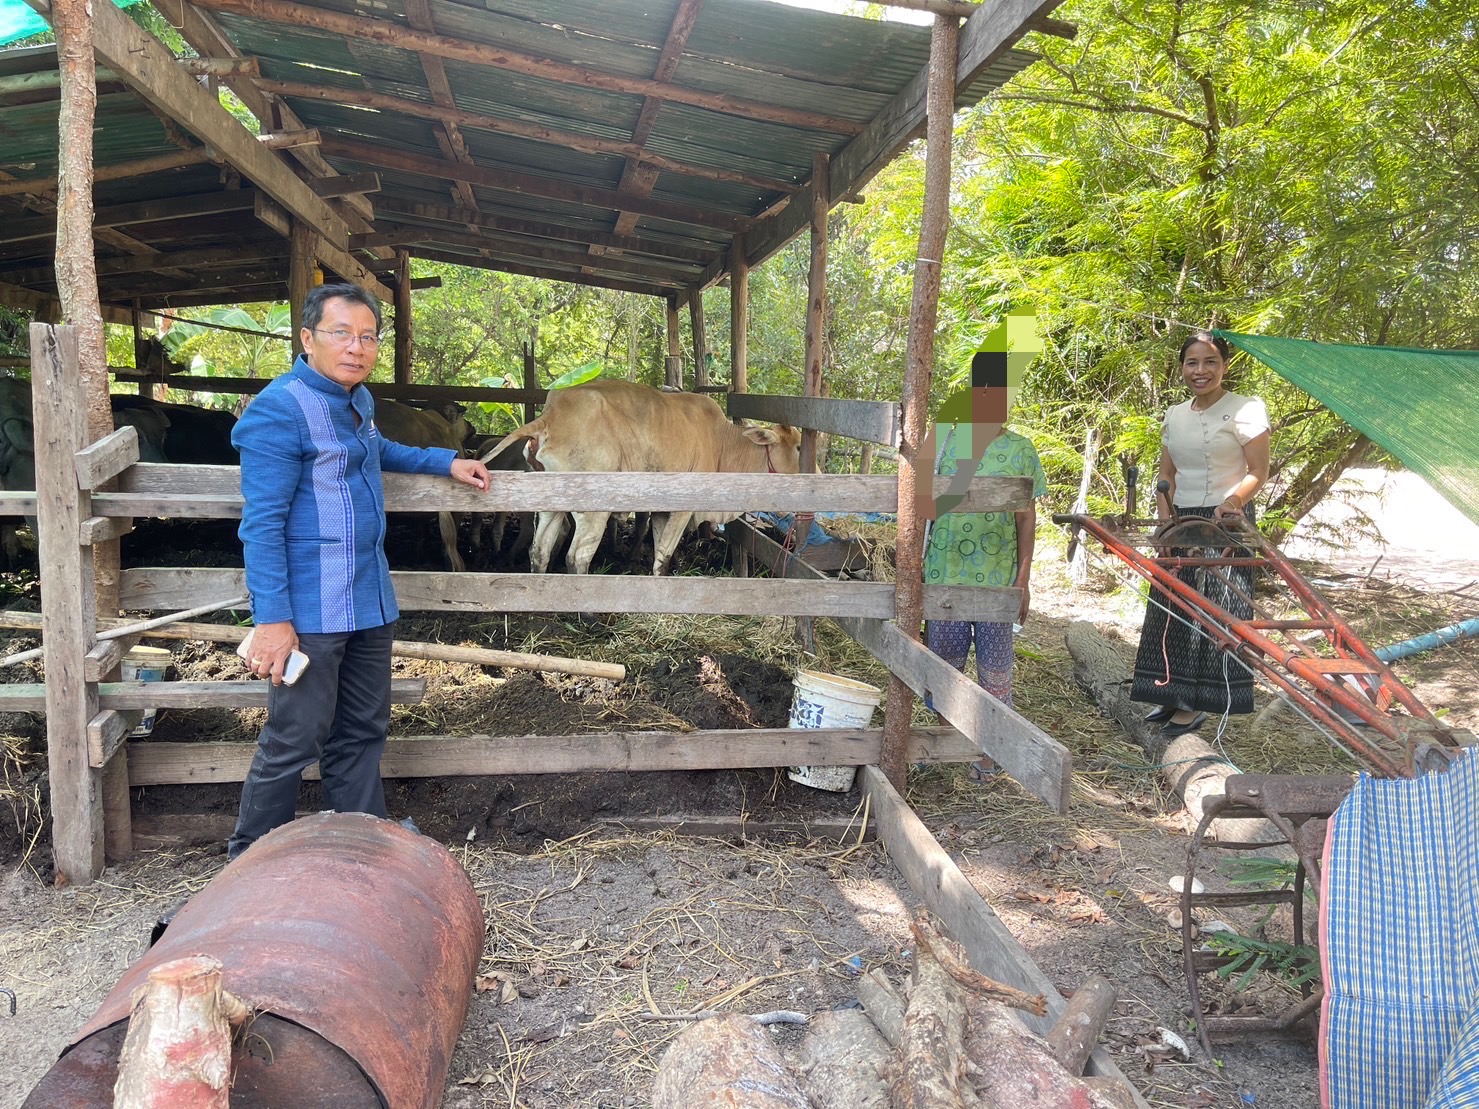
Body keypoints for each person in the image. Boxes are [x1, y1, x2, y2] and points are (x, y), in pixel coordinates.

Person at [227, 283, 491, 859]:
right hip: (312, 609)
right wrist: (273, 620)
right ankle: (249, 860)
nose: (356, 347)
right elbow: (261, 526)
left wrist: (446, 460)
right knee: (295, 738)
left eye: (368, 336)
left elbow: (379, 450)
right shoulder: (279, 409)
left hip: (368, 599)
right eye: (341, 333)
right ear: (307, 339)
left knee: (363, 731)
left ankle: (360, 845)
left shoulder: (359, 402)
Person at [920, 313, 1048, 782]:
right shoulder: (945, 438)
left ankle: (990, 751)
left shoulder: (1020, 450)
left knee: (995, 671)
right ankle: (948, 745)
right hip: (946, 574)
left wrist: (1023, 579)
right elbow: (921, 509)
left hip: (996, 579)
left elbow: (1025, 516)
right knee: (944, 667)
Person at [1131, 331, 1271, 737]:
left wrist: (1231, 505)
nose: (1200, 370)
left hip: (1227, 522)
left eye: (1209, 362)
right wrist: (1165, 520)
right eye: (1192, 363)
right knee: (1173, 608)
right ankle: (1171, 695)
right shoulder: (1175, 414)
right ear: (1182, 369)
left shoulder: (1245, 409)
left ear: (1224, 366)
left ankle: (1197, 706)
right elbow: (1166, 475)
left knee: (1215, 610)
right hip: (1180, 519)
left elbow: (1258, 472)